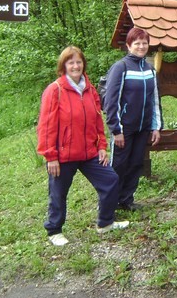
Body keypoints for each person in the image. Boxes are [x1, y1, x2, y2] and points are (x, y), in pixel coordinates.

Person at [37, 46, 129, 246]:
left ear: (83, 64)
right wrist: (50, 156)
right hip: (63, 156)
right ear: (64, 66)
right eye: (71, 63)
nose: (75, 66)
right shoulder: (55, 90)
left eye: (79, 62)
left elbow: (97, 120)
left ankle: (105, 223)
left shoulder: (90, 89)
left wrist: (102, 146)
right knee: (58, 193)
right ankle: (54, 230)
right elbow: (46, 126)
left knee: (111, 180)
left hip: (88, 153)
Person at [104, 27, 162, 211]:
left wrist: (156, 127)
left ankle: (126, 200)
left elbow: (155, 100)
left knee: (136, 164)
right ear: (129, 46)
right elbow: (111, 102)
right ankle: (109, 205)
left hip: (142, 128)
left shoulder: (150, 69)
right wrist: (116, 130)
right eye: (137, 43)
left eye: (144, 43)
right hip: (124, 129)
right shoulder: (120, 68)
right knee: (118, 166)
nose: (141, 46)